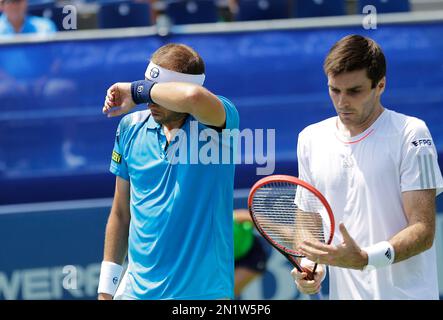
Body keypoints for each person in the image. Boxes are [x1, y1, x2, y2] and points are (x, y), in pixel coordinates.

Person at [291, 34, 443, 299]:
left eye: (354, 91)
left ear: (380, 85)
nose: (341, 102)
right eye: (334, 90)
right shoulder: (310, 139)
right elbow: (309, 222)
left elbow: (423, 229)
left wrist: (365, 258)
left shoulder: (411, 133)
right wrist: (309, 265)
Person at [97, 43, 239, 300]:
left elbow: (193, 98)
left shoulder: (219, 124)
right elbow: (120, 213)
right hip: (135, 293)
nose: (150, 101)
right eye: (148, 89)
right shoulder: (130, 127)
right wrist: (106, 290)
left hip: (201, 295)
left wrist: (135, 90)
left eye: (158, 93)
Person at [233, 209, 269, 298]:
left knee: (229, 291)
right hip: (229, 259)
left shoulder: (233, 218)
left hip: (251, 255)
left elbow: (250, 217)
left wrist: (284, 233)